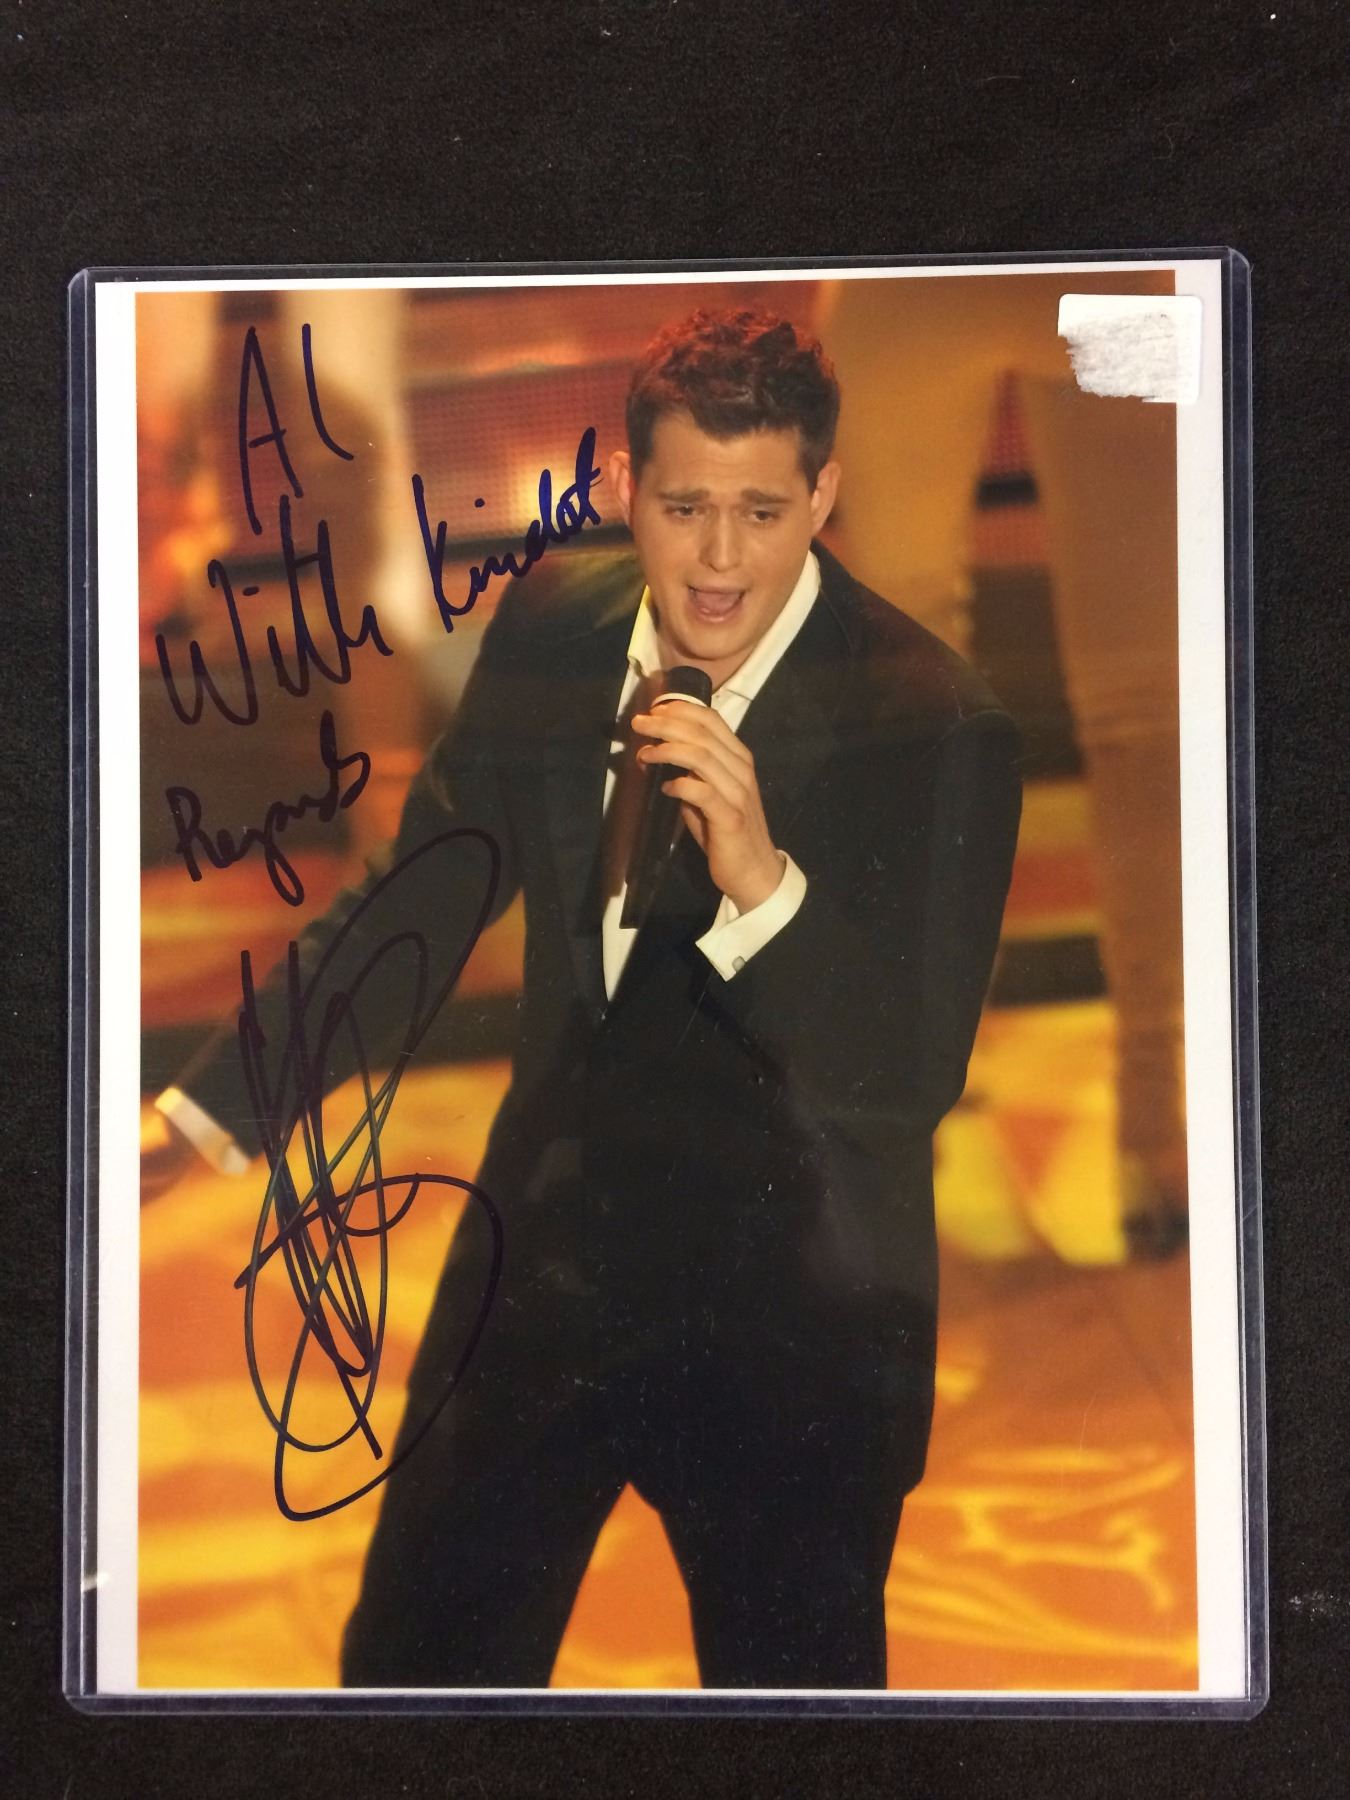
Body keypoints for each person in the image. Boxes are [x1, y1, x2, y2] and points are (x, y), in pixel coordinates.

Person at [143, 307, 1023, 1690]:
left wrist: (761, 880)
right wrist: (203, 1113)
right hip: (542, 1281)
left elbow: (902, 1077)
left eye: (759, 512)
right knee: (412, 1688)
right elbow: (421, 901)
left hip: (789, 1338)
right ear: (625, 488)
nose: (718, 559)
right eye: (683, 508)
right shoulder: (559, 623)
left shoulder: (934, 718)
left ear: (822, 497)